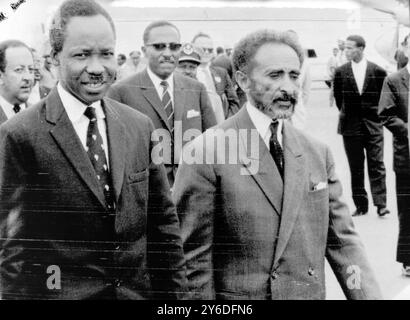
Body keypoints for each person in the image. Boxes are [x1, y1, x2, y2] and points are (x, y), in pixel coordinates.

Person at [173, 29, 382, 300]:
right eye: (275, 75)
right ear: (243, 80)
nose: (288, 87)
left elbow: (345, 244)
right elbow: (192, 261)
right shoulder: (206, 152)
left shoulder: (317, 153)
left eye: (294, 75)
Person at [0, 0, 186, 300]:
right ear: (53, 59)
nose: (97, 68)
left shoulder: (139, 127)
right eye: (82, 55)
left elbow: (163, 228)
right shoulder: (20, 135)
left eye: (107, 54)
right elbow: (14, 252)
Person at [107, 21, 216, 186]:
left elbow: (213, 142)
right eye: (159, 47)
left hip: (190, 189)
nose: (167, 53)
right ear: (144, 50)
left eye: (173, 47)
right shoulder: (121, 91)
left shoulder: (196, 89)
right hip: (147, 193)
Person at [333, 35, 389, 217]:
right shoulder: (341, 72)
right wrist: (349, 115)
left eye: (350, 48)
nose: (346, 51)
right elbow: (339, 100)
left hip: (373, 125)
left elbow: (384, 99)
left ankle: (381, 204)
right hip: (350, 126)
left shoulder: (378, 71)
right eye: (345, 48)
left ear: (361, 48)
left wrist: (376, 117)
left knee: (377, 164)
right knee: (355, 167)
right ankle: (361, 205)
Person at [378, 34, 410, 277]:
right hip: (406, 157)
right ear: (405, 50)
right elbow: (386, 114)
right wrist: (408, 130)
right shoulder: (394, 81)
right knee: (408, 209)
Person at [192, 32, 240, 123]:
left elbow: (233, 101)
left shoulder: (221, 73)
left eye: (209, 50)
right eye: (202, 49)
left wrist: (228, 122)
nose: (206, 52)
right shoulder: (186, 74)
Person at [0, 39, 34, 124]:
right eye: (19, 70)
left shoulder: (39, 114)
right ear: (1, 76)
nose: (28, 77)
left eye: (31, 69)